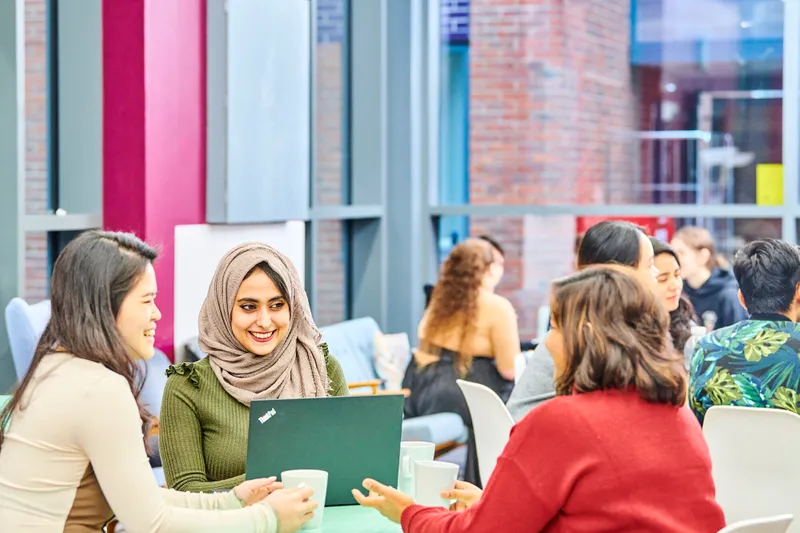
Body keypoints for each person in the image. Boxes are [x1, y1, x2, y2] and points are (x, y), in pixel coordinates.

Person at [354, 267, 725, 532]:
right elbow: (612, 512)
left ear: (585, 335)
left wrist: (410, 513)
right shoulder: (678, 415)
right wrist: (492, 505)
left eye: (555, 327)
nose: (547, 343)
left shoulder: (562, 421)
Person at [0, 231, 316, 533]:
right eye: (147, 300)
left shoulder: (56, 368)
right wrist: (267, 519)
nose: (157, 314)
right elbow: (152, 524)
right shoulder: (98, 389)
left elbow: (139, 499)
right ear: (106, 305)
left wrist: (232, 501)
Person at [159, 243, 349, 493]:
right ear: (223, 308)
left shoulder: (321, 369)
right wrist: (279, 479)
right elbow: (185, 491)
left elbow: (347, 466)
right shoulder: (188, 387)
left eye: (277, 305)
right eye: (248, 307)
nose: (264, 321)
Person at [506, 220, 658, 421]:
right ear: (620, 273)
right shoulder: (588, 329)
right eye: (649, 265)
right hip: (540, 433)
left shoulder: (603, 319)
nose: (656, 273)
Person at [403, 238, 519, 486]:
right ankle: (491, 485)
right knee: (512, 399)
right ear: (487, 269)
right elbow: (509, 369)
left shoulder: (439, 302)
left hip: (426, 392)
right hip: (467, 392)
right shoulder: (498, 307)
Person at [690, 239, 800, 424]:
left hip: (725, 453)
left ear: (741, 297)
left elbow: (698, 424)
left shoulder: (707, 348)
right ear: (798, 292)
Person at [671, 226, 747, 331]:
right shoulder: (678, 292)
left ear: (703, 256)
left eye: (681, 253)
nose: (675, 259)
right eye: (673, 252)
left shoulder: (727, 295)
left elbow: (739, 339)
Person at [650, 237, 701, 357]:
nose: (675, 285)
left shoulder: (685, 322)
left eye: (677, 275)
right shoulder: (628, 333)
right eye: (663, 279)